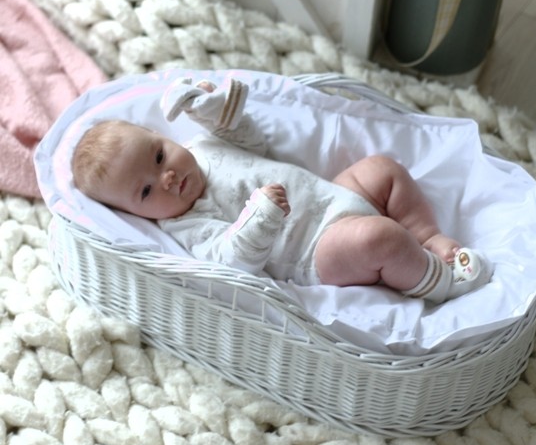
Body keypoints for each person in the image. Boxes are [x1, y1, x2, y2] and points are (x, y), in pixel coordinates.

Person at [71, 77, 492, 304]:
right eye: (146, 192)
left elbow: (252, 145)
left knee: (382, 170)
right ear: (135, 214)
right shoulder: (185, 223)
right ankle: (441, 281)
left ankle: (428, 237)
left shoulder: (201, 148)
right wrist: (260, 217)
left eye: (160, 156)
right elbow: (232, 261)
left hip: (333, 197)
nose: (166, 177)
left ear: (163, 137)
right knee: (379, 238)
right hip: (316, 251)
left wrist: (218, 116)